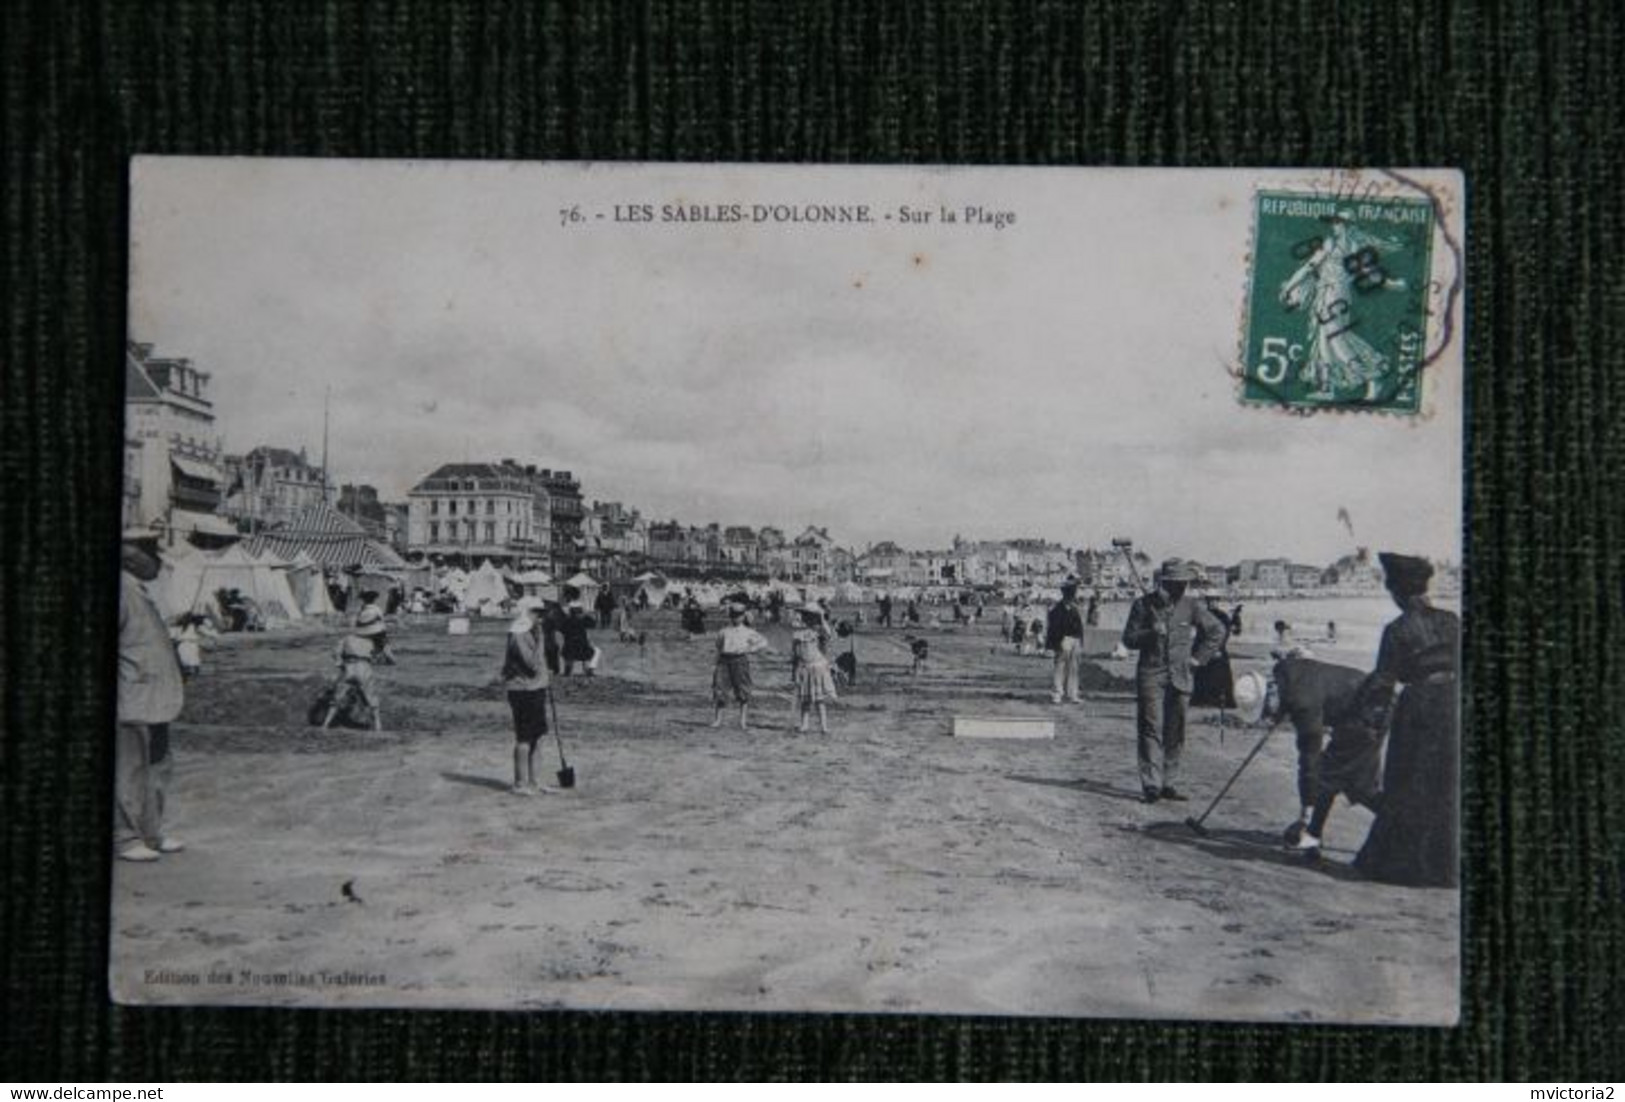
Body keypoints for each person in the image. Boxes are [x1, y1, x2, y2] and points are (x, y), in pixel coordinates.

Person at [1345, 553, 1460, 887]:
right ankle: (1444, 868)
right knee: (1445, 782)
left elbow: (1383, 680)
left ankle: (1404, 867)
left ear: (1397, 591)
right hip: (1453, 702)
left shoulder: (1397, 629)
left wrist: (1363, 714)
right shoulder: (1452, 620)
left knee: (1407, 780)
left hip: (1419, 705)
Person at [1121, 558, 1228, 803]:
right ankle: (1151, 785)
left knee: (1176, 730)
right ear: (1164, 582)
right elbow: (1128, 639)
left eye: (1184, 583)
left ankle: (1169, 782)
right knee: (1151, 728)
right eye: (1176, 583)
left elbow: (1217, 631)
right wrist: (1150, 633)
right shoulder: (1143, 605)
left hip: (1181, 675)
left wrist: (1198, 659)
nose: (1181, 588)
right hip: (1151, 674)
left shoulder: (1191, 606)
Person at [116, 534, 187, 863]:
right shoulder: (122, 591)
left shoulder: (140, 591)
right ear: (131, 556)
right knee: (129, 769)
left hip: (157, 699)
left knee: (157, 767)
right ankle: (125, 837)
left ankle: (151, 832)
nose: (158, 562)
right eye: (152, 555)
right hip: (132, 698)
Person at [503, 601, 552, 796]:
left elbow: (541, 664)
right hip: (522, 690)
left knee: (538, 736)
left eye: (542, 614)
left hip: (537, 688)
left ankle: (535, 780)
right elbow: (532, 663)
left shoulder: (533, 631)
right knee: (524, 738)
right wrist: (541, 639)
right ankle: (520, 783)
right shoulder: (519, 633)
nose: (540, 618)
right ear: (525, 612)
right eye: (536, 613)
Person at [325, 605, 394, 731]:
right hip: (364, 667)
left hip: (349, 667)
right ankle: (378, 725)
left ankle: (325, 724)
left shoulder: (347, 639)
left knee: (337, 697)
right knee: (371, 696)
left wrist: (340, 664)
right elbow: (388, 659)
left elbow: (335, 653)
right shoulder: (372, 642)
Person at [712, 604, 773, 730]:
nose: (736, 618)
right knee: (720, 689)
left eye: (739, 616)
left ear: (743, 616)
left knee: (743, 690)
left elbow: (763, 642)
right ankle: (718, 720)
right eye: (733, 616)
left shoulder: (748, 632)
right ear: (730, 616)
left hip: (740, 661)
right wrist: (716, 663)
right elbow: (718, 646)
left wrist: (750, 649)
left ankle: (742, 721)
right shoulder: (724, 631)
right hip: (724, 661)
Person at [790, 603, 837, 734]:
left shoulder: (818, 632)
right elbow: (795, 654)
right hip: (804, 668)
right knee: (805, 699)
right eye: (806, 616)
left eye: (811, 616)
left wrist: (822, 618)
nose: (808, 619)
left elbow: (829, 634)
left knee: (819, 699)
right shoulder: (797, 634)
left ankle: (824, 726)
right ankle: (804, 724)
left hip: (817, 667)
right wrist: (794, 673)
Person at [1046, 581, 1086, 704]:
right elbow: (1053, 628)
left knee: (1073, 667)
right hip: (1064, 639)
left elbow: (1080, 627)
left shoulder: (1074, 608)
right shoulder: (1058, 609)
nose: (1073, 594)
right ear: (1066, 593)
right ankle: (1057, 693)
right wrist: (1055, 643)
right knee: (1061, 666)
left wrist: (1080, 641)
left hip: (1074, 639)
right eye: (1071, 592)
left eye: (1073, 592)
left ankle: (1072, 694)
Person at [559, 598, 601, 676]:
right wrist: (586, 614)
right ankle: (589, 670)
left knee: (568, 659)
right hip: (582, 646)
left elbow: (561, 629)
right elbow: (594, 624)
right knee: (595, 652)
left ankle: (567, 670)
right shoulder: (584, 619)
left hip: (569, 646)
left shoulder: (566, 620)